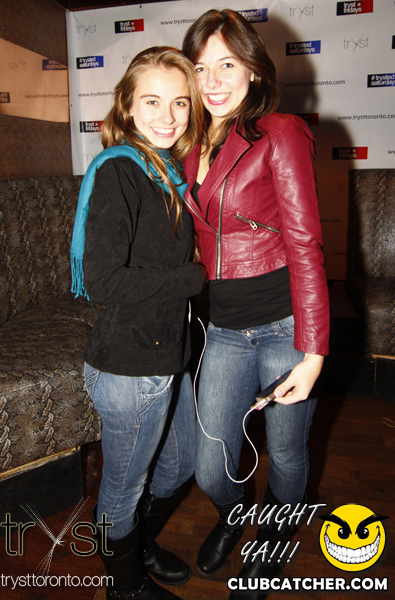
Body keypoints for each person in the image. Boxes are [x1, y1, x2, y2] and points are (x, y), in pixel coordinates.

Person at [182, 9, 330, 599]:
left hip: (284, 328)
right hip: (224, 329)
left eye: (227, 64)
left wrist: (313, 353)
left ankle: (273, 538)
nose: (213, 81)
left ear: (253, 69)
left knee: (287, 453)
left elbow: (306, 244)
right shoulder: (188, 143)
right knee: (210, 466)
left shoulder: (280, 132)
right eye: (200, 68)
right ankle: (234, 514)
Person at [70, 47, 206, 600]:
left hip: (167, 354)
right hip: (129, 369)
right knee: (122, 492)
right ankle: (124, 586)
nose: (168, 116)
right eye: (152, 101)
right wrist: (193, 277)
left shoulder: (166, 171)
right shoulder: (122, 170)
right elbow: (103, 281)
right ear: (127, 105)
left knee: (181, 464)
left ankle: (136, 542)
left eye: (180, 102)